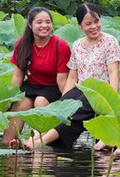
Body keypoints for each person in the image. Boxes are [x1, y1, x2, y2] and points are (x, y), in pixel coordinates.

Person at [22, 3, 120, 150]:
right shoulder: (77, 45)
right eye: (88, 24)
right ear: (80, 26)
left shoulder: (109, 41)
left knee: (76, 111)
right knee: (62, 110)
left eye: (96, 21)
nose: (94, 26)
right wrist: (63, 101)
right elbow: (72, 78)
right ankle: (35, 137)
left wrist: (112, 98)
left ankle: (37, 142)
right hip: (80, 89)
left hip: (100, 91)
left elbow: (114, 72)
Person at [4, 7, 71, 146]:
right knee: (21, 104)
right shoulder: (22, 44)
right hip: (32, 85)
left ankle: (33, 143)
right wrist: (10, 98)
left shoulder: (60, 45)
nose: (44, 26)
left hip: (53, 88)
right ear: (30, 25)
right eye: (39, 22)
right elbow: (17, 76)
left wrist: (66, 104)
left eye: (48, 22)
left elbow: (62, 80)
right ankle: (7, 145)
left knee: (40, 102)